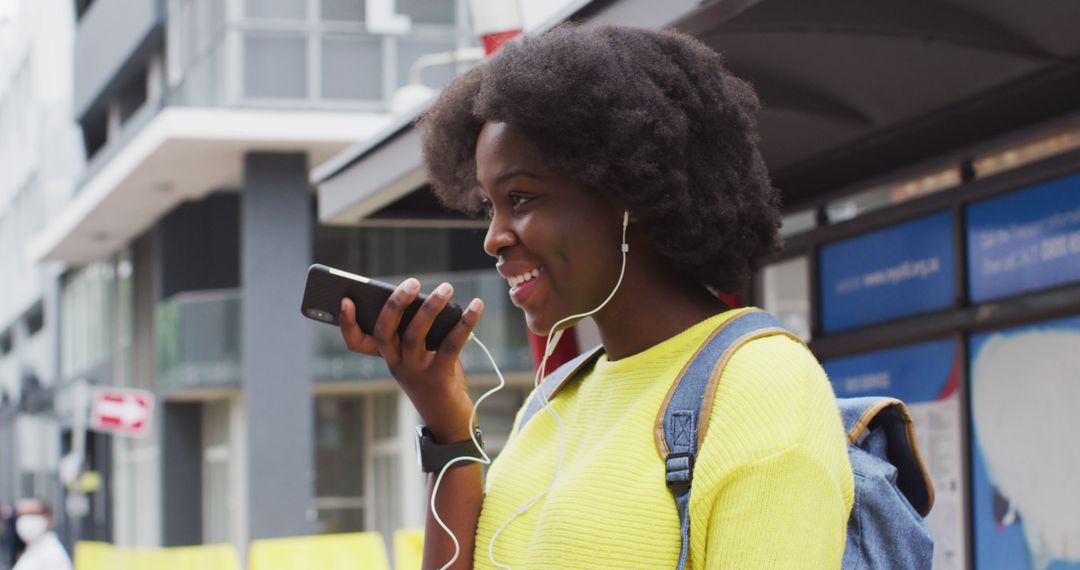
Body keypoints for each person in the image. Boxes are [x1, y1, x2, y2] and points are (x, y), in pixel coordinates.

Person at [339, 24, 854, 569]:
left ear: (628, 193)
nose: (494, 237)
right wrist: (449, 426)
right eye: (490, 207)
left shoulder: (762, 383)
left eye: (521, 198)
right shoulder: (553, 401)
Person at [11, 499, 70, 570]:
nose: (26, 520)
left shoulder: (51, 554)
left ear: (49, 518)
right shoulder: (33, 549)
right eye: (22, 515)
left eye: (33, 514)